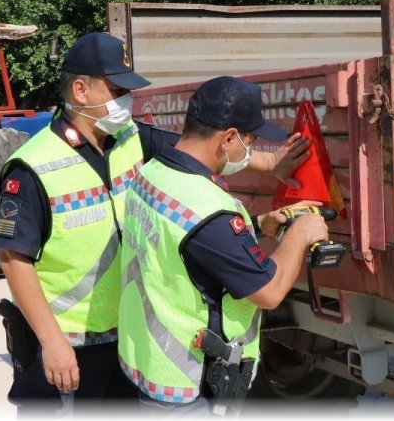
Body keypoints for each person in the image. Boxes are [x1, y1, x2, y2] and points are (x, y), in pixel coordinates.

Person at [0, 33, 308, 415]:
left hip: (126, 339)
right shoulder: (33, 167)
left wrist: (270, 165)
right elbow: (14, 259)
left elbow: (198, 146)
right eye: (117, 89)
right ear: (81, 90)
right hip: (70, 344)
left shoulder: (129, 138)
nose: (127, 101)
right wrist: (52, 341)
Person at [116, 75, 330, 415]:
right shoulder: (208, 208)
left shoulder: (152, 174)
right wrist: (299, 235)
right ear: (228, 137)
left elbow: (192, 248)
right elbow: (270, 291)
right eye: (249, 140)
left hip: (145, 364)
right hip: (186, 388)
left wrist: (258, 226)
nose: (250, 150)